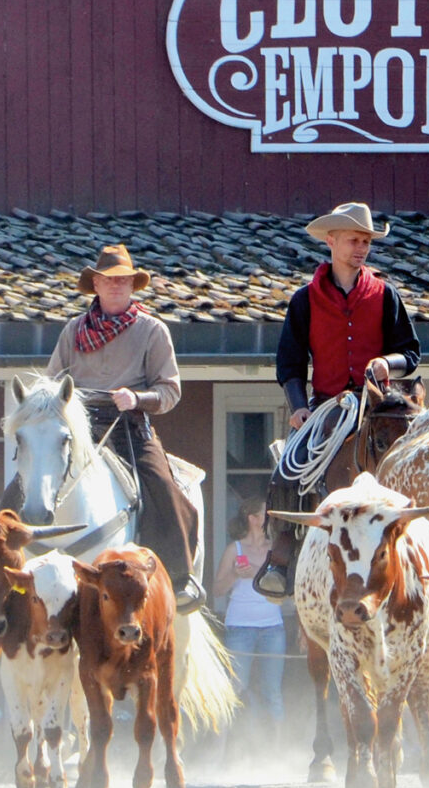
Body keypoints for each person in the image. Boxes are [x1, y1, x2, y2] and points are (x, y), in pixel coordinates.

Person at [254, 203, 422, 599]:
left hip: (378, 406)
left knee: (416, 463)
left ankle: (424, 547)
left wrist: (387, 361)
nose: (361, 248)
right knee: (288, 470)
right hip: (327, 407)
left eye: (366, 241)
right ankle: (282, 554)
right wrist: (298, 406)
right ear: (331, 242)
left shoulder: (385, 295)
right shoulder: (304, 301)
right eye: (353, 240)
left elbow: (411, 354)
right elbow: (290, 364)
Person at [45, 243, 199, 603]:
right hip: (77, 427)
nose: (116, 286)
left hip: (129, 426)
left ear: (133, 285)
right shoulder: (72, 330)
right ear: (95, 285)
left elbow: (170, 391)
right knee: (28, 481)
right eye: (109, 280)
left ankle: (178, 579)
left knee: (163, 488)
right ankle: (9, 562)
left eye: (124, 281)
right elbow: (53, 384)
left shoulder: (152, 330)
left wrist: (137, 398)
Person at [213, 497, 288, 732]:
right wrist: (235, 575)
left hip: (272, 628)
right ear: (253, 519)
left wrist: (255, 572)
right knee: (234, 689)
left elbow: (285, 589)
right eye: (267, 514)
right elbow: (216, 590)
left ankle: (277, 752)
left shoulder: (275, 549)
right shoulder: (233, 549)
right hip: (239, 628)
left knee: (272, 691)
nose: (271, 518)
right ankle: (221, 751)